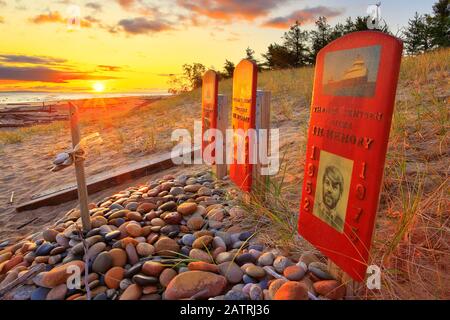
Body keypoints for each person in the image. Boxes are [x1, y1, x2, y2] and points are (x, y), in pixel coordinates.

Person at [316, 165, 345, 232]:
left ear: (340, 195)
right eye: (327, 183)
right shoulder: (314, 208)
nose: (329, 189)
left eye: (334, 187)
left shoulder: (341, 224)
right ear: (322, 185)